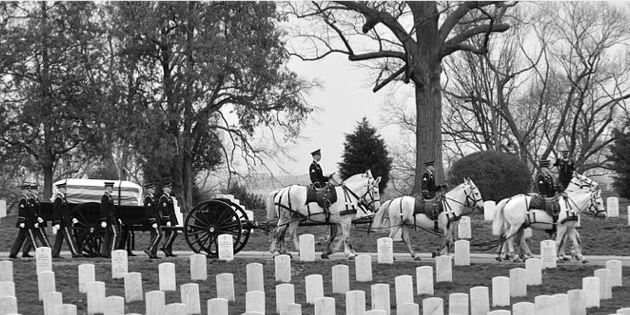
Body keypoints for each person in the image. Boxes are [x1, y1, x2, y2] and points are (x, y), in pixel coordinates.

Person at [51, 181, 82, 258]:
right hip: (63, 222)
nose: (66, 189)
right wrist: (56, 222)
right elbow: (57, 211)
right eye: (64, 188)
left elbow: (66, 212)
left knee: (59, 238)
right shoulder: (59, 199)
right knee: (69, 237)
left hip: (64, 221)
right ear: (60, 189)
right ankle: (75, 253)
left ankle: (55, 253)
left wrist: (71, 218)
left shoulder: (63, 198)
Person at [9, 183, 39, 259]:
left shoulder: (27, 200)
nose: (30, 192)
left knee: (20, 238)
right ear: (24, 191)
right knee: (31, 238)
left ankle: (13, 253)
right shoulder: (23, 200)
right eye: (28, 190)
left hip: (28, 222)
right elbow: (21, 211)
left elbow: (31, 211)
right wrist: (22, 221)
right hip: (25, 222)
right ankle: (39, 252)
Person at [22, 183, 51, 256]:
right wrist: (36, 220)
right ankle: (49, 250)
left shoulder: (35, 199)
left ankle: (25, 251)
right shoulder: (31, 199)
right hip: (35, 221)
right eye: (36, 189)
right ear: (32, 191)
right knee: (41, 236)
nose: (37, 191)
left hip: (36, 220)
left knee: (33, 236)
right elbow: (32, 211)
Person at [100, 181, 120, 258]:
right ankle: (112, 252)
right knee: (116, 234)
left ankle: (104, 252)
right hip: (110, 219)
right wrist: (103, 219)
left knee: (108, 235)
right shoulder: (105, 197)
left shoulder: (109, 196)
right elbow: (103, 209)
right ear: (107, 187)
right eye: (111, 187)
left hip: (111, 218)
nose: (112, 189)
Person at [143, 183, 162, 259]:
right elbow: (149, 211)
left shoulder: (151, 198)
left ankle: (153, 253)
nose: (153, 190)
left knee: (154, 235)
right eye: (152, 188)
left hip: (156, 219)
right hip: (153, 220)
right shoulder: (148, 199)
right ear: (148, 190)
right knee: (159, 234)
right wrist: (152, 221)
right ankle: (149, 249)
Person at [159, 182, 178, 257]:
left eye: (170, 187)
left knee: (169, 234)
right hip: (168, 219)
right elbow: (165, 210)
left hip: (172, 218)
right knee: (173, 233)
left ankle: (169, 251)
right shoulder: (164, 198)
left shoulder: (169, 197)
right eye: (168, 187)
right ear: (164, 188)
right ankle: (164, 247)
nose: (170, 189)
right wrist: (167, 220)